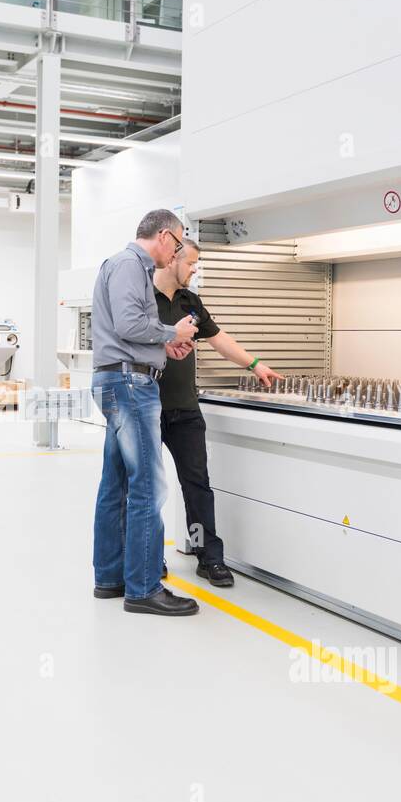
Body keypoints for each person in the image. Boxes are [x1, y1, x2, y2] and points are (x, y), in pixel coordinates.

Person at [154, 239, 282, 587]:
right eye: (191, 263)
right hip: (146, 408)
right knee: (148, 489)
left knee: (197, 485)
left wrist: (255, 364)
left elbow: (219, 339)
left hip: (185, 408)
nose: (195, 270)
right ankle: (150, 555)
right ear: (171, 258)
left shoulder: (190, 301)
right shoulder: (140, 298)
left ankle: (207, 556)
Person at [91, 210, 200, 616]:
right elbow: (129, 323)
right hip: (130, 388)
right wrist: (175, 332)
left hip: (122, 381)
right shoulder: (128, 265)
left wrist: (162, 349)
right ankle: (144, 587)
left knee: (116, 483)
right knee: (148, 488)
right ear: (165, 235)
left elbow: (134, 330)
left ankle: (112, 577)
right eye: (178, 244)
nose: (177, 255)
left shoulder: (127, 268)